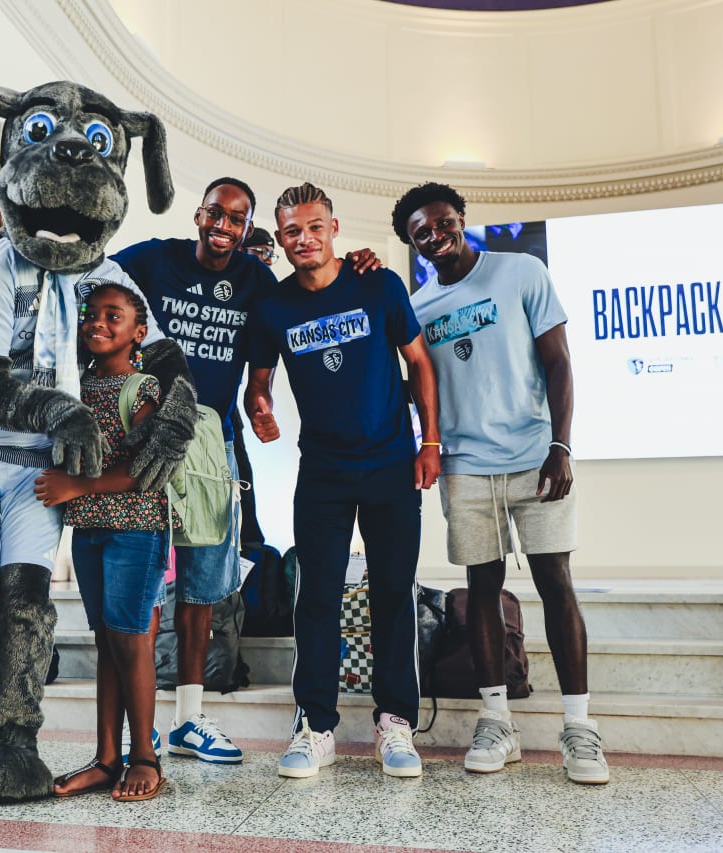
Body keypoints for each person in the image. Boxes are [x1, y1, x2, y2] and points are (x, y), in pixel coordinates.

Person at [0, 178, 379, 764]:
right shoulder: (155, 258)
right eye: (216, 213)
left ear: (247, 229)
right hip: (146, 430)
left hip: (211, 443)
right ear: (199, 214)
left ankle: (190, 717)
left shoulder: (257, 279)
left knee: (203, 582)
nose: (223, 226)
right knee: (148, 578)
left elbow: (309, 294)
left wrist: (358, 263)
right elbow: (87, 267)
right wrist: (7, 245)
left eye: (237, 220)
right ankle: (144, 729)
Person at [392, 182, 609, 785]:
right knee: (480, 588)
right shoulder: (419, 306)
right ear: (412, 243)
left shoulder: (521, 271)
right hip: (463, 465)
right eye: (420, 232)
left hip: (535, 458)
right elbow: (417, 389)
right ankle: (497, 722)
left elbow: (559, 362)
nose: (435, 236)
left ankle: (579, 729)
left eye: (441, 222)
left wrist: (561, 445)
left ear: (460, 218)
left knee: (555, 583)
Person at [244, 182, 441, 779]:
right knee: (318, 598)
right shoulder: (275, 306)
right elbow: (259, 378)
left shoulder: (378, 283)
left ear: (333, 229)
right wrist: (260, 404)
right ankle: (315, 725)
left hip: (389, 464)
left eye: (314, 227)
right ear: (280, 240)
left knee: (391, 593)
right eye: (291, 231)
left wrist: (429, 442)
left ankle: (396, 723)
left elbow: (421, 363)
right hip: (323, 470)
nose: (304, 239)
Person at [35, 282, 170, 802]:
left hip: (136, 527)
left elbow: (145, 466)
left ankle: (145, 757)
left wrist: (77, 485)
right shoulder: (74, 386)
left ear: (138, 332)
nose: (97, 323)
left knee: (131, 638)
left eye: (113, 316)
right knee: (107, 641)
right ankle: (106, 758)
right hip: (90, 531)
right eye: (91, 314)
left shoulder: (145, 388)